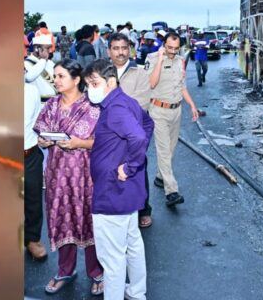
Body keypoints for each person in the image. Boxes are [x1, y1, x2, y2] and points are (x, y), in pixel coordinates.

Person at [34, 59, 104, 295]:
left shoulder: (93, 107)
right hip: (57, 174)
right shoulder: (51, 105)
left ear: (76, 80)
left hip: (86, 175)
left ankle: (97, 272)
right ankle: (65, 270)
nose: (56, 80)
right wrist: (42, 141)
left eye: (61, 76)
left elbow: (104, 142)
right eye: (54, 76)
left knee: (89, 219)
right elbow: (41, 133)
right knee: (63, 218)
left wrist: (79, 143)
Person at [83, 59, 153, 300]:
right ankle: (136, 291)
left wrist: (130, 165)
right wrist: (130, 163)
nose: (90, 89)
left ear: (110, 81)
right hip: (126, 192)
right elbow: (147, 123)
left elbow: (139, 138)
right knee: (132, 243)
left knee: (111, 258)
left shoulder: (115, 109)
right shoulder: (125, 101)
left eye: (94, 83)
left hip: (112, 192)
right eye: (87, 84)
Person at [145, 32, 199, 207]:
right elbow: (151, 84)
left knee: (171, 148)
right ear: (163, 44)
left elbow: (182, 86)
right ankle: (172, 191)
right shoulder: (152, 58)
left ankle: (161, 177)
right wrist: (160, 60)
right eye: (169, 48)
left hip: (176, 110)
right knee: (163, 150)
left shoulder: (180, 60)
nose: (173, 52)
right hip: (158, 110)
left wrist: (192, 105)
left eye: (176, 48)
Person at [108, 33, 153, 229]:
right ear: (109, 51)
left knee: (137, 169)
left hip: (134, 133)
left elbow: (140, 105)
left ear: (130, 50)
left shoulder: (140, 73)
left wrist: (114, 110)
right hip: (108, 135)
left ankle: (143, 209)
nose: (120, 52)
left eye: (124, 48)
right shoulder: (101, 73)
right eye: (116, 48)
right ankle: (117, 207)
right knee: (110, 170)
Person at [23, 79, 47, 261]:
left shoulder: (31, 91)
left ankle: (32, 239)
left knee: (33, 199)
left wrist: (44, 137)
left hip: (29, 154)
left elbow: (38, 120)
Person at [24, 34, 57, 102]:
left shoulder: (50, 63)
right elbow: (29, 77)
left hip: (53, 102)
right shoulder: (26, 63)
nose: (50, 51)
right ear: (37, 49)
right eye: (47, 48)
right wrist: (43, 59)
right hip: (39, 104)